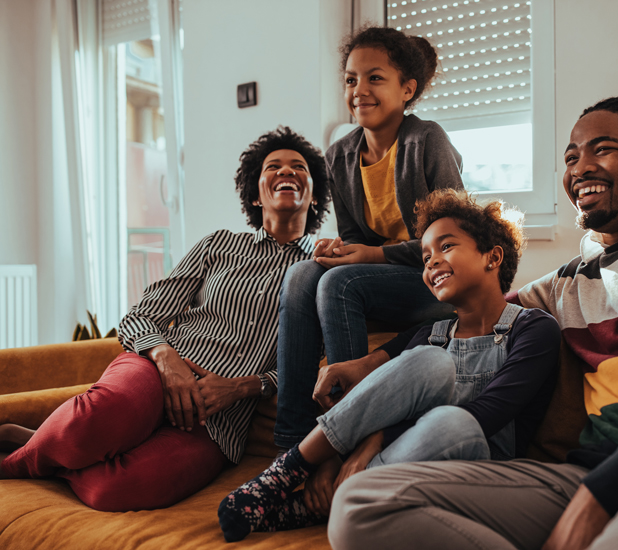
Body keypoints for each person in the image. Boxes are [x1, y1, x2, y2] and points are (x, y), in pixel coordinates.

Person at [327, 96, 618, 550]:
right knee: (361, 505)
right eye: (571, 157)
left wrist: (608, 489)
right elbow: (474, 316)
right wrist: (370, 364)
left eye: (603, 149)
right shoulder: (569, 280)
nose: (579, 168)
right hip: (589, 475)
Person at [0, 127, 332, 512]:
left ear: (315, 192)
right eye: (273, 166)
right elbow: (140, 316)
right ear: (256, 195)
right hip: (156, 371)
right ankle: (16, 463)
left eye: (298, 167)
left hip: (218, 420)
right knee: (90, 423)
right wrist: (166, 360)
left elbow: (308, 365)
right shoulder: (219, 244)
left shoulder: (322, 269)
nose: (286, 172)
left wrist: (240, 388)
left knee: (118, 490)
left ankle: (35, 439)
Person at [216, 189, 561, 542]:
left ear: (493, 257)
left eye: (446, 246)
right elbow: (377, 382)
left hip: (480, 473)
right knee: (430, 360)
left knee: (453, 421)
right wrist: (350, 378)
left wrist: (376, 442)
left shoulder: (534, 329)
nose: (431, 262)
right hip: (407, 465)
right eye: (426, 256)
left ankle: (322, 501)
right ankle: (287, 472)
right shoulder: (430, 335)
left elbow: (488, 413)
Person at [274, 26, 464, 451]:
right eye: (351, 79)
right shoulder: (339, 155)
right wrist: (338, 249)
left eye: (375, 78)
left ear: (407, 89)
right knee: (303, 274)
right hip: (386, 282)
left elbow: (454, 242)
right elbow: (354, 237)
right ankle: (290, 441)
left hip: (436, 281)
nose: (359, 89)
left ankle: (347, 433)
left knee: (340, 283)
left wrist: (374, 254)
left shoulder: (427, 140)